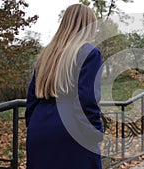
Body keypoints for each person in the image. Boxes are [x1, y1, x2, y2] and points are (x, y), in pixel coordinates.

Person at [25, 4, 103, 169]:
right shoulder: (89, 52)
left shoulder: (46, 54)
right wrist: (95, 133)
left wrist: (33, 125)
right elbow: (87, 100)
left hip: (39, 128)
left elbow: (31, 99)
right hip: (72, 131)